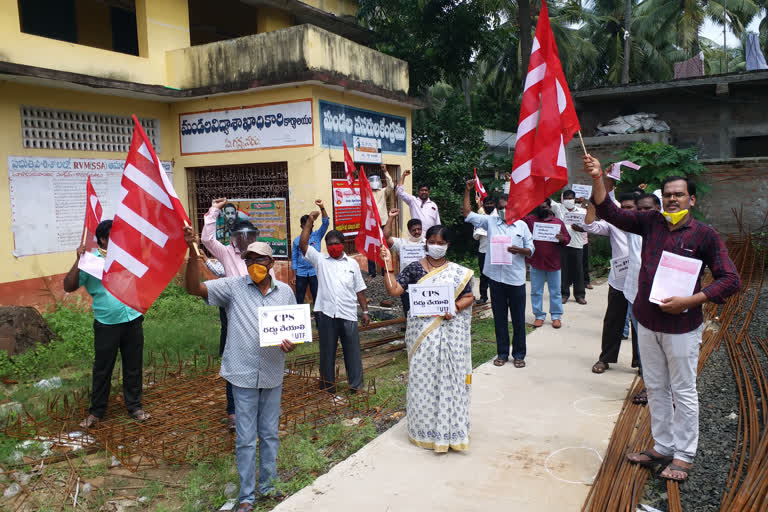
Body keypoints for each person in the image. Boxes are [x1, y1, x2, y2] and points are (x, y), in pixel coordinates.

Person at [583, 155, 740, 482]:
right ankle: (663, 445)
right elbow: (610, 212)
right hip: (647, 322)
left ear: (691, 200)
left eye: (679, 194)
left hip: (682, 327)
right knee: (655, 387)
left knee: (682, 390)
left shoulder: (704, 235)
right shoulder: (649, 222)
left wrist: (692, 300)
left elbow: (730, 280)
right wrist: (599, 178)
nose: (672, 199)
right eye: (668, 194)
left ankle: (684, 454)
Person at [184, 232, 296, 509]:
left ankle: (268, 486)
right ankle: (246, 496)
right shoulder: (232, 287)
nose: (253, 264)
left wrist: (290, 343)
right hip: (242, 373)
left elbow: (293, 329)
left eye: (258, 260)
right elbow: (194, 288)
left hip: (271, 372)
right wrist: (190, 252)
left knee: (269, 434)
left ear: (270, 262)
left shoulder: (286, 293)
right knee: (245, 439)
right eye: (249, 260)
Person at [379, 225, 475, 452]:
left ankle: (452, 430)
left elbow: (469, 296)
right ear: (426, 243)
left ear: (447, 245)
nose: (436, 246)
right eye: (432, 241)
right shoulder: (414, 269)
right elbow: (394, 290)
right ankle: (425, 430)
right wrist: (387, 267)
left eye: (441, 243)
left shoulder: (458, 272)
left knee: (451, 379)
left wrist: (455, 306)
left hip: (450, 335)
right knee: (423, 381)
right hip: (423, 337)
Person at [63, 220, 150, 428]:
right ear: (103, 239)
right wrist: (78, 261)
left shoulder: (127, 259)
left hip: (133, 318)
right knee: (103, 368)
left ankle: (135, 406)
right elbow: (69, 285)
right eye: (115, 236)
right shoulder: (91, 262)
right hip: (107, 323)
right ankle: (97, 411)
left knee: (133, 366)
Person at [202, 198, 264, 432]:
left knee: (260, 355)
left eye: (250, 236)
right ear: (235, 238)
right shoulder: (227, 253)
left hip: (258, 309)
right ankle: (233, 410)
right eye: (242, 237)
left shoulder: (260, 253)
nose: (246, 240)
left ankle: (259, 405)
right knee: (234, 357)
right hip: (233, 310)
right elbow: (207, 239)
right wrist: (214, 210)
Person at [463, 180, 534, 368]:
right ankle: (502, 353)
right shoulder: (491, 222)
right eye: (500, 207)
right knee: (500, 318)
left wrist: (519, 250)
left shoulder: (522, 226)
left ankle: (519, 354)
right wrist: (467, 191)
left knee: (518, 319)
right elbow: (467, 214)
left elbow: (531, 250)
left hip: (516, 279)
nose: (503, 210)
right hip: (496, 278)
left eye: (506, 207)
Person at [300, 214, 370, 392]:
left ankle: (356, 386)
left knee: (353, 353)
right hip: (326, 314)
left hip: (347, 313)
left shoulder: (352, 264)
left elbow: (359, 289)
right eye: (329, 243)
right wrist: (308, 223)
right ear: (326, 246)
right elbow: (303, 246)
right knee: (327, 353)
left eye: (336, 243)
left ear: (343, 244)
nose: (333, 247)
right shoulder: (320, 260)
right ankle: (327, 387)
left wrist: (365, 311)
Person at [581, 193, 642, 375]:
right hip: (619, 283)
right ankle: (606, 358)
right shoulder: (614, 225)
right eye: (623, 208)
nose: (626, 212)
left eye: (630, 208)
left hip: (641, 285)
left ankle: (641, 362)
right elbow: (589, 225)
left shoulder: (648, 227)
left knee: (641, 325)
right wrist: (593, 202)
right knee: (612, 322)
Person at [628, 192, 663, 405]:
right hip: (634, 295)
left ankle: (665, 390)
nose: (642, 213)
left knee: (664, 347)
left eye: (647, 209)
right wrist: (600, 180)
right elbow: (609, 210)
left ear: (659, 209)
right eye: (638, 209)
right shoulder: (633, 229)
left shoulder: (668, 232)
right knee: (645, 348)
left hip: (662, 300)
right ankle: (650, 388)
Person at [522, 199, 570, 328]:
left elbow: (567, 238)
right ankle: (538, 315)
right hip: (536, 262)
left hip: (553, 263)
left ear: (549, 207)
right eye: (539, 207)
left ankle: (556, 316)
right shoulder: (531, 220)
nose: (542, 209)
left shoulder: (558, 222)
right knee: (536, 291)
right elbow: (519, 215)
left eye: (544, 207)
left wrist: (562, 239)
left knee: (555, 292)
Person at [382, 208, 424, 315]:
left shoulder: (428, 244)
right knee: (409, 314)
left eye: (419, 229)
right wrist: (391, 217)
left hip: (426, 285)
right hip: (407, 288)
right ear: (409, 231)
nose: (417, 232)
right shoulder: (402, 244)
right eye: (414, 230)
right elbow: (385, 238)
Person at [552, 190, 587, 304]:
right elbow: (546, 199)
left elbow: (587, 227)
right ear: (563, 200)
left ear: (574, 199)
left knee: (578, 270)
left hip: (577, 244)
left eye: (570, 198)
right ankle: (564, 293)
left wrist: (580, 229)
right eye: (566, 198)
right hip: (563, 244)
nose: (568, 200)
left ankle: (580, 294)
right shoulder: (558, 209)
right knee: (564, 270)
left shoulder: (582, 211)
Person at [290, 200, 329, 304]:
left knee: (317, 297)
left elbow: (326, 223)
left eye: (310, 224)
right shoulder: (297, 241)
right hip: (301, 273)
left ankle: (319, 319)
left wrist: (322, 207)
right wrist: (294, 275)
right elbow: (294, 258)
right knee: (299, 298)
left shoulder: (317, 235)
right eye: (305, 225)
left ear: (312, 225)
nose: (307, 227)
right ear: (301, 226)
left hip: (314, 272)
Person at [367, 166, 395, 278]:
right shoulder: (367, 193)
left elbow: (391, 186)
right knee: (370, 247)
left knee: (384, 246)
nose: (374, 183)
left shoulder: (383, 192)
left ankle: (385, 270)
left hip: (383, 222)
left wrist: (385, 172)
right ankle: (372, 272)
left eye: (375, 180)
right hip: (371, 223)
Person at [472, 195, 497, 305]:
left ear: (495, 204)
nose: (489, 206)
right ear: (483, 205)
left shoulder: (498, 217)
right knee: (483, 275)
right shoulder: (480, 218)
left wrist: (485, 232)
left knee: (496, 275)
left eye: (491, 203)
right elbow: (476, 235)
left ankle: (496, 297)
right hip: (483, 250)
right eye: (487, 204)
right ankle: (483, 296)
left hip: (496, 251)